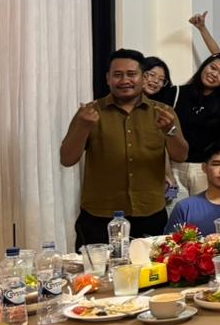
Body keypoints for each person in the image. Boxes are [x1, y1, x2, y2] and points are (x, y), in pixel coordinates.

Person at [60, 49, 188, 249]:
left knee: (151, 268)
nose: (124, 80)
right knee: (96, 269)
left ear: (143, 78)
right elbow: (67, 159)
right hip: (100, 216)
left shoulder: (164, 112)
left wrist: (170, 130)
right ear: (108, 79)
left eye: (131, 74)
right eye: (117, 75)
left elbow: (180, 155)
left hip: (149, 213)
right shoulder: (90, 112)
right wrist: (83, 127)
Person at [172, 53, 220, 200]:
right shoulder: (176, 93)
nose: (214, 74)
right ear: (204, 65)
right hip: (174, 168)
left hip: (204, 169)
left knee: (204, 212)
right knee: (175, 212)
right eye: (213, 67)